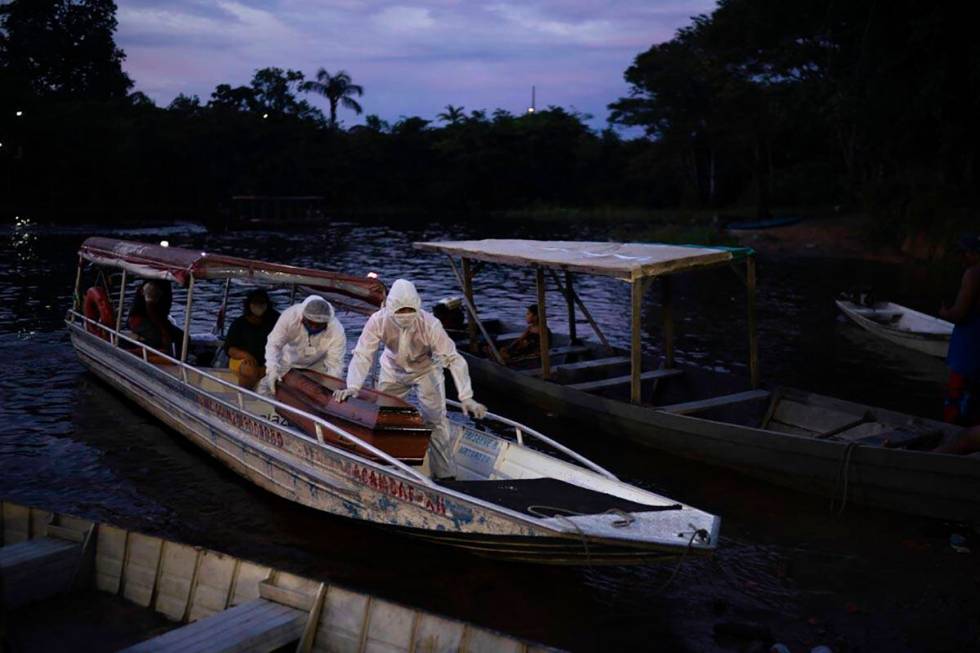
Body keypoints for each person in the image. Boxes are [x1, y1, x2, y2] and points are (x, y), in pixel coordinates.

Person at [333, 279, 487, 480]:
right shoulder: (378, 320)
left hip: (426, 370)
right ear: (390, 308)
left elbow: (453, 359)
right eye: (400, 312)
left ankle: (445, 474)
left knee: (436, 420)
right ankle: (388, 465)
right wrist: (353, 386)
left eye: (410, 311)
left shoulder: (431, 324)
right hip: (392, 370)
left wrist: (466, 396)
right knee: (385, 418)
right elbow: (363, 354)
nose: (405, 316)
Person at [257, 295, 346, 395]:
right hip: (288, 361)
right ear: (303, 317)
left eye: (318, 325)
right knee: (266, 387)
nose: (313, 327)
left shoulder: (337, 330)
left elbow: (335, 364)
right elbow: (274, 344)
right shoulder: (289, 316)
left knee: (320, 394)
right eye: (310, 323)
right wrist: (272, 369)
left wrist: (331, 386)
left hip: (317, 365)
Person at [939, 234, 980, 428]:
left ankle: (953, 446)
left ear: (974, 253)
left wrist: (945, 313)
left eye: (963, 253)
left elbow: (959, 314)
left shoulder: (973, 273)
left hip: (969, 352)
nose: (961, 258)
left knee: (958, 408)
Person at [224, 288, 280, 388]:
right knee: (249, 369)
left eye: (262, 303)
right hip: (242, 359)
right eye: (255, 302)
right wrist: (245, 355)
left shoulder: (275, 320)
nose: (258, 305)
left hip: (270, 360)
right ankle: (245, 396)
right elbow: (230, 349)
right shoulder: (239, 323)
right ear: (249, 305)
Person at [128, 280, 183, 356]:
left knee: (180, 336)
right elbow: (151, 311)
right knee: (162, 339)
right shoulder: (152, 285)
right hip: (140, 320)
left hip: (154, 319)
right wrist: (163, 332)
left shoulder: (164, 284)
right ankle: (135, 353)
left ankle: (177, 358)